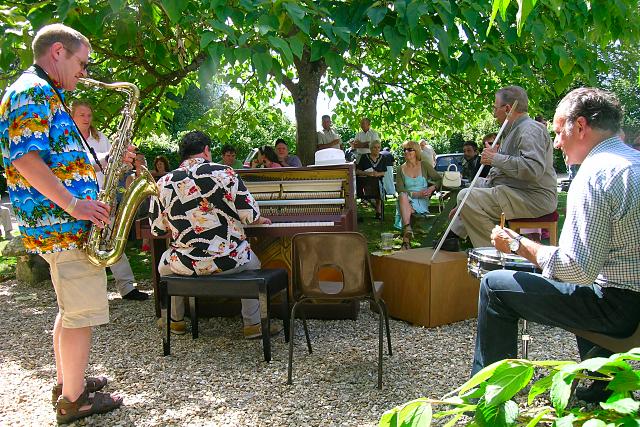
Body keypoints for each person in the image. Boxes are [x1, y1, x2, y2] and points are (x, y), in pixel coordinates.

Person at [474, 88, 640, 403]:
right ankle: (603, 387)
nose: (556, 142)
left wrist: (517, 245)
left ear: (580, 127)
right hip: (631, 297)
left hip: (620, 310)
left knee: (494, 285)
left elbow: (576, 269)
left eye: (558, 130)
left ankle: (489, 398)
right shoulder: (633, 162)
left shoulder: (594, 175)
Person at [0, 23, 129, 423]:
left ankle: (66, 382)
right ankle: (74, 402)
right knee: (82, 314)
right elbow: (25, 159)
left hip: (60, 225)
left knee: (69, 309)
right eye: (82, 62)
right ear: (58, 52)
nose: (85, 72)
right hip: (63, 225)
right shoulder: (32, 91)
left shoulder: (41, 92)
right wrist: (75, 204)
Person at [149, 131, 279, 338]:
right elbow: (250, 216)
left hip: (186, 263)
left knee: (164, 266)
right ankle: (253, 325)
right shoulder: (225, 173)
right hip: (229, 261)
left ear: (182, 154)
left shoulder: (163, 182)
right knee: (253, 262)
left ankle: (175, 322)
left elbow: (157, 230)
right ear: (206, 150)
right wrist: (260, 220)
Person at [442, 86, 557, 250]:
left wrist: (495, 158)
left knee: (466, 196)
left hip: (534, 197)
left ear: (508, 108)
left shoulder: (530, 130)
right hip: (517, 191)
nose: (494, 113)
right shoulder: (512, 131)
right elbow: (503, 173)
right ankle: (454, 236)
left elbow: (533, 169)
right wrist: (461, 207)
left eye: (495, 108)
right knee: (473, 187)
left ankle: (497, 253)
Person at [71, 101, 148, 301]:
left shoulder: (101, 139)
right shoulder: (68, 139)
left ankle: (127, 288)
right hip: (78, 200)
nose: (86, 119)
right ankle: (88, 294)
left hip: (104, 198)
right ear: (72, 116)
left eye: (89, 115)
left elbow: (112, 169)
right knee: (82, 247)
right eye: (81, 115)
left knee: (112, 242)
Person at [394, 141, 442, 250]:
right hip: (406, 199)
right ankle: (408, 230)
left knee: (404, 204)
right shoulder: (400, 169)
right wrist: (414, 194)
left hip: (421, 202)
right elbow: (400, 189)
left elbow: (439, 179)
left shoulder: (424, 165)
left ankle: (406, 241)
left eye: (409, 149)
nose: (406, 152)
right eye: (404, 150)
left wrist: (432, 187)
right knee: (402, 196)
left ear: (416, 152)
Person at [355, 140, 394, 219]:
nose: (376, 149)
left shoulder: (383, 158)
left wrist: (377, 174)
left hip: (377, 181)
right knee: (368, 185)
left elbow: (383, 172)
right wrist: (368, 173)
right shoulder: (364, 157)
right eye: (374, 148)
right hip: (365, 182)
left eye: (378, 147)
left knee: (378, 186)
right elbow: (357, 171)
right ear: (370, 148)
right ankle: (372, 205)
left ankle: (378, 211)